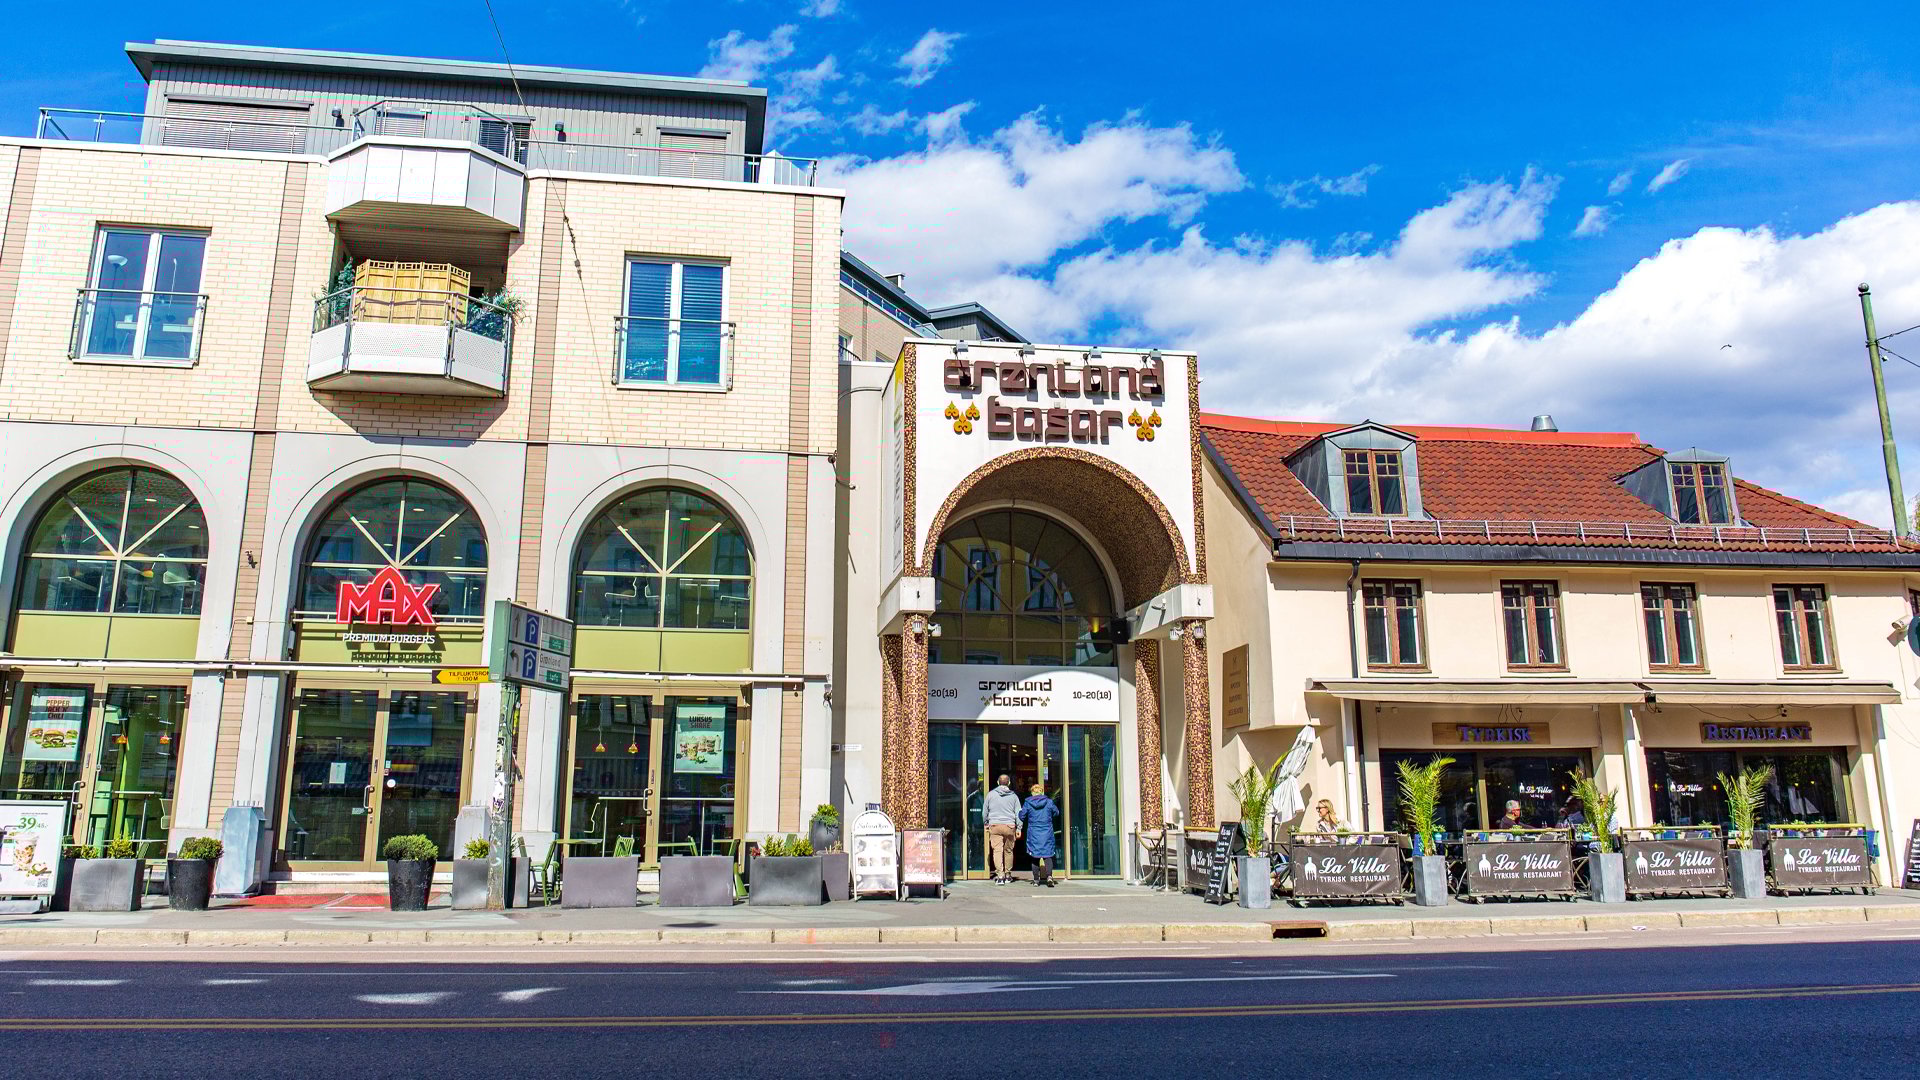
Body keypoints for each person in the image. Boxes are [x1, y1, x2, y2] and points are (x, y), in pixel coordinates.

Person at [1019, 783, 1061, 887]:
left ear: (1032, 792)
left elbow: (1022, 816)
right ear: (1042, 792)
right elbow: (1056, 813)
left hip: (1033, 832)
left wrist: (1020, 812)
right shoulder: (1049, 802)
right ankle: (1049, 877)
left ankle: (1036, 880)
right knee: (1048, 855)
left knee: (1035, 856)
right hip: (1047, 832)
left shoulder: (1028, 803)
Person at [983, 773, 1021, 884]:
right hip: (1010, 826)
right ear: (1009, 783)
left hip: (995, 825)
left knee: (997, 851)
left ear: (997, 782)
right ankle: (1008, 874)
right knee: (1008, 850)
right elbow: (1019, 813)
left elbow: (985, 811)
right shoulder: (1014, 796)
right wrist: (1019, 828)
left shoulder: (990, 795)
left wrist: (986, 823)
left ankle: (1000, 875)